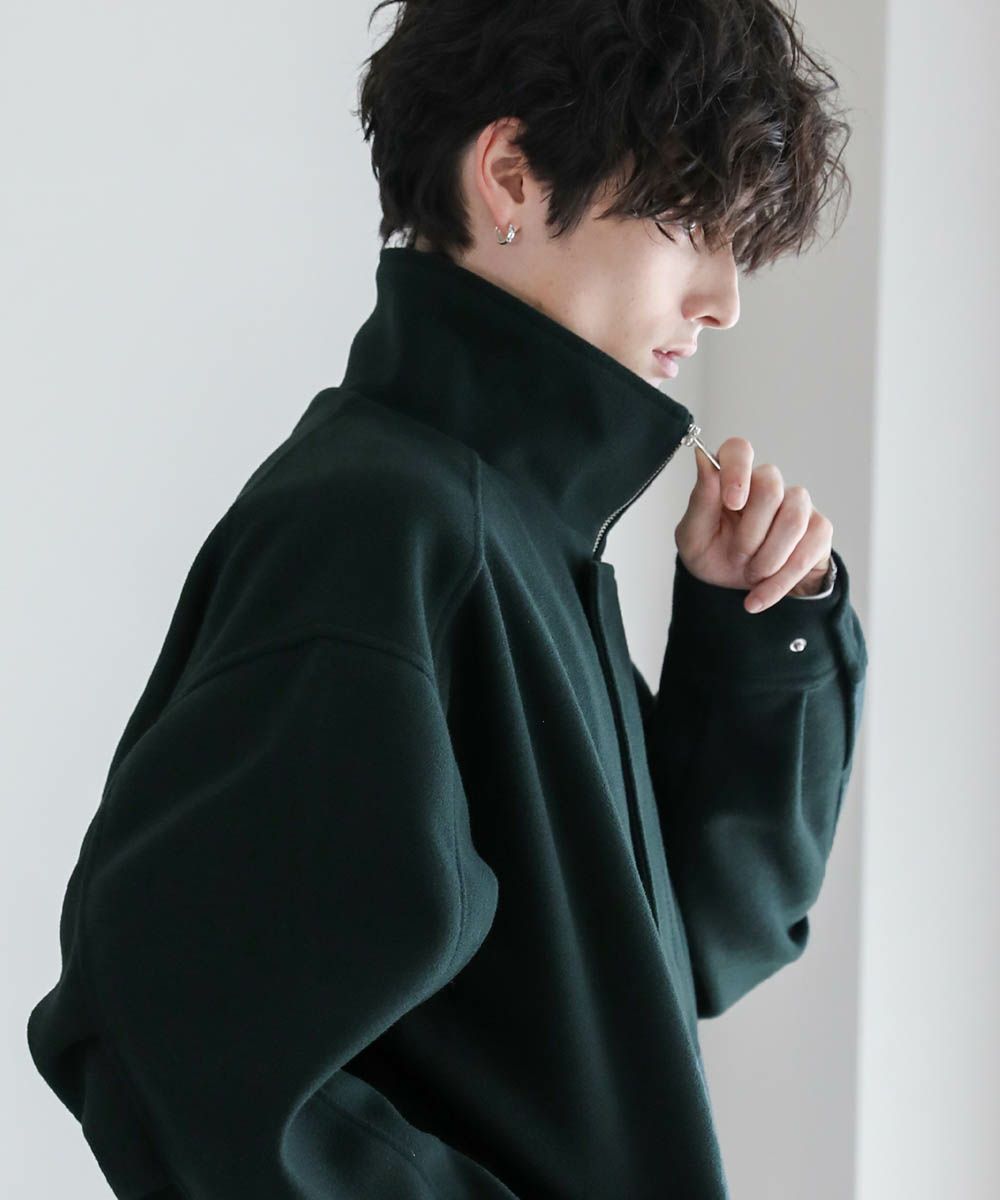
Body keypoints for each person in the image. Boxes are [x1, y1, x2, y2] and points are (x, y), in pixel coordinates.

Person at [26, 2, 867, 1197]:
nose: (724, 296)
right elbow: (166, 1032)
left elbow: (693, 951)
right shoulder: (383, 530)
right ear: (509, 174)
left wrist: (759, 636)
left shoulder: (512, 535)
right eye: (688, 220)